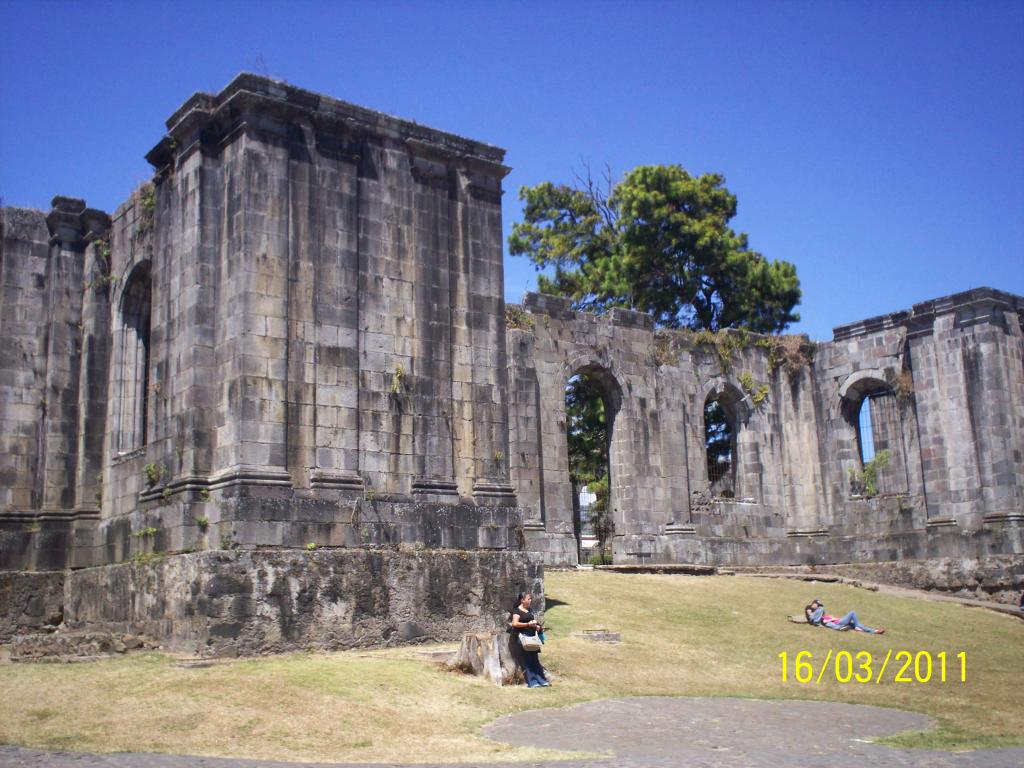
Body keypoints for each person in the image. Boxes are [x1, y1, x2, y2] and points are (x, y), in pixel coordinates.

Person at [509, 591, 550, 688]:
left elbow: (531, 623)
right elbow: (515, 623)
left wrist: (537, 627)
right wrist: (528, 624)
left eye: (530, 598)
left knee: (535, 659)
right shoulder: (517, 611)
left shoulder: (529, 610)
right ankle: (532, 682)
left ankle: (541, 680)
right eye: (528, 599)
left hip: (532, 637)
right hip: (524, 637)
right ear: (522, 600)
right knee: (528, 660)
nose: (530, 600)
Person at [805, 599, 885, 634]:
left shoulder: (821, 614)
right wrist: (832, 619)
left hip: (838, 621)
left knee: (858, 626)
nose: (819, 607)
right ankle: (858, 627)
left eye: (819, 606)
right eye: (817, 605)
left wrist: (832, 617)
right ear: (814, 604)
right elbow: (823, 622)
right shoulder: (811, 609)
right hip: (839, 622)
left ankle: (874, 631)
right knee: (852, 613)